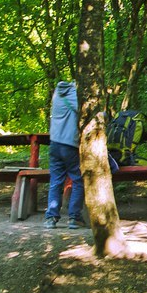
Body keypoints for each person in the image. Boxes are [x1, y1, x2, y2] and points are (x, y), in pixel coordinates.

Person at [45, 81, 86, 229]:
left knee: (56, 181)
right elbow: (85, 111)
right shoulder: (73, 95)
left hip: (54, 143)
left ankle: (51, 218)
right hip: (69, 144)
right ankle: (74, 217)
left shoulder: (57, 94)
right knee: (78, 180)